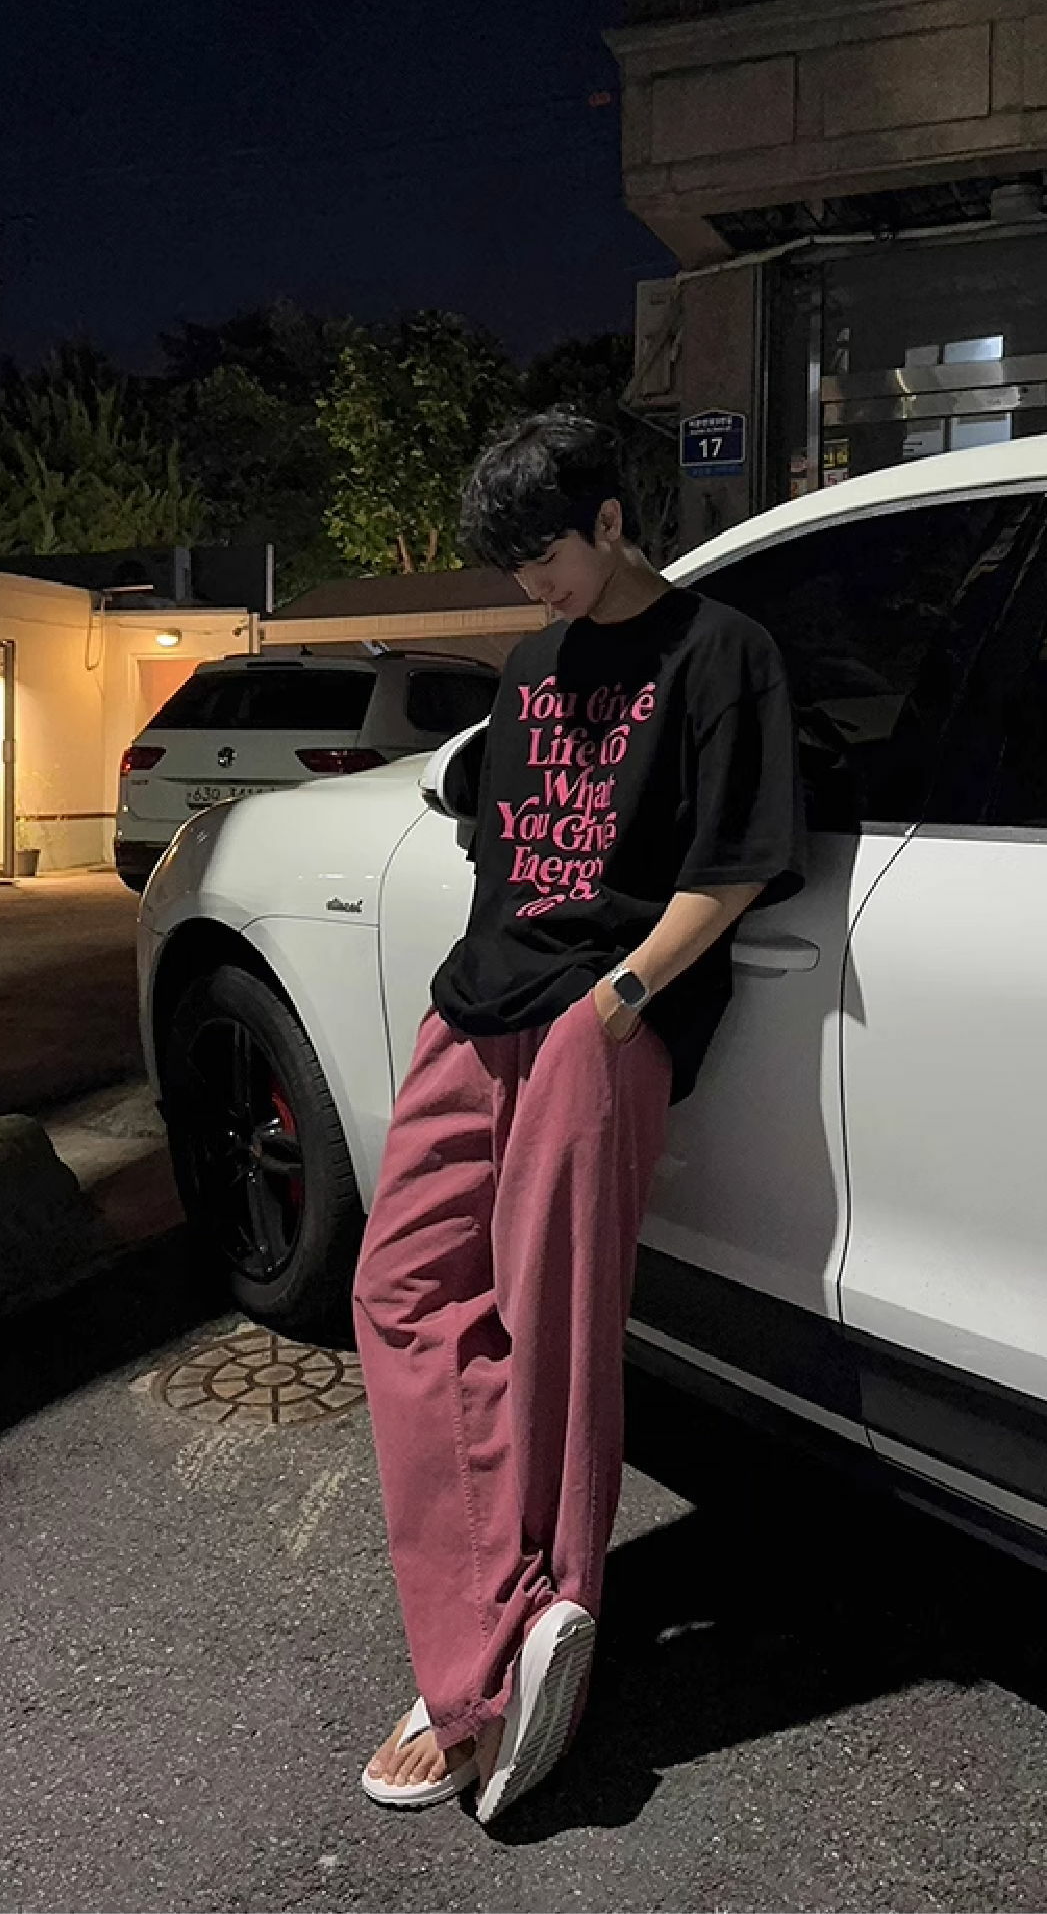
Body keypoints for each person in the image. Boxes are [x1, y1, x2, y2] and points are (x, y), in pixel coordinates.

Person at [353, 410, 805, 1825]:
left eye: (543, 554)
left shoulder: (723, 652)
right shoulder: (531, 666)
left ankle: (496, 1668)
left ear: (611, 520)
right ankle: (497, 1633)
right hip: (478, 1004)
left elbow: (735, 865)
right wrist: (487, 1006)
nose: (530, 586)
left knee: (550, 1323)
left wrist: (614, 1005)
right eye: (513, 567)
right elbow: (503, 858)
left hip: (597, 1024)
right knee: (400, 1291)